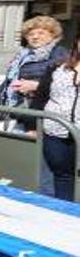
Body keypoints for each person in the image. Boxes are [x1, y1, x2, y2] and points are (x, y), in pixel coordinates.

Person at [0, 15, 69, 135]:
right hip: (15, 112)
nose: (35, 37)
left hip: (38, 116)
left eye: (41, 33)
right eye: (31, 34)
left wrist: (36, 85)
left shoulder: (60, 55)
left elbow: (66, 85)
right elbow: (9, 82)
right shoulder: (23, 55)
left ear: (53, 35)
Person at [41, 34, 80, 201]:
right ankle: (63, 217)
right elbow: (41, 95)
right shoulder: (59, 67)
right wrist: (31, 126)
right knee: (62, 177)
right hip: (56, 131)